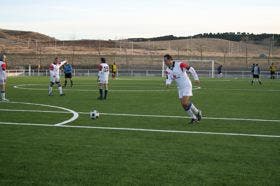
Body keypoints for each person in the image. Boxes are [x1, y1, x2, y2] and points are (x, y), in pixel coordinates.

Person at [163, 54, 202, 124]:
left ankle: (197, 112)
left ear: (170, 60)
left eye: (166, 60)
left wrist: (196, 78)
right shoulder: (167, 70)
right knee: (184, 105)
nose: (165, 62)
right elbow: (169, 78)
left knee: (185, 102)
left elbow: (191, 69)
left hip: (187, 85)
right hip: (180, 88)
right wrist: (168, 83)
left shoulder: (180, 64)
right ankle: (194, 117)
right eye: (164, 61)